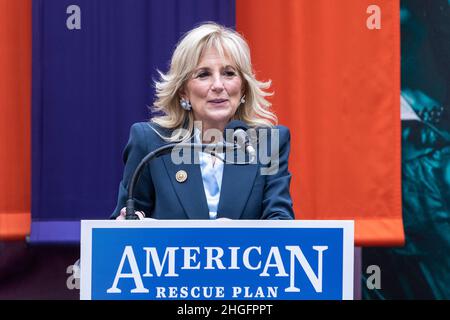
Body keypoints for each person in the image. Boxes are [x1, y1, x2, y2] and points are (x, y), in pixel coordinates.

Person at [111, 22, 294, 220]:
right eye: (204, 74)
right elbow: (122, 227)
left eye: (229, 73)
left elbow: (280, 221)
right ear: (183, 91)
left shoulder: (268, 143)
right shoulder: (150, 143)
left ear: (243, 88)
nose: (218, 85)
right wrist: (126, 223)